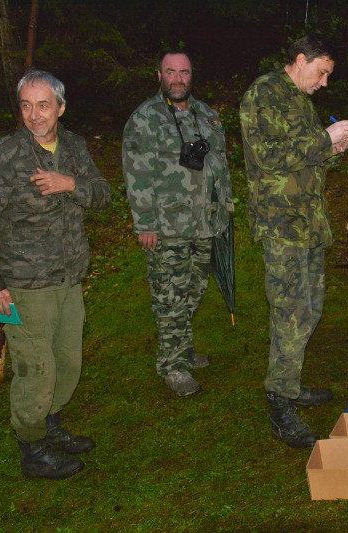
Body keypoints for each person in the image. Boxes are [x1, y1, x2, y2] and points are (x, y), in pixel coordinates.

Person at [0, 70, 111, 479]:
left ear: (60, 108)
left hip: (68, 278)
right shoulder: (7, 155)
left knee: (67, 363)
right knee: (36, 370)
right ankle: (32, 448)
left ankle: (50, 423)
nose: (34, 115)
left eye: (43, 105)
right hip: (25, 285)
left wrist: (70, 184)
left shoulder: (75, 147)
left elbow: (103, 195)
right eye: (26, 105)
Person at [240, 33, 348, 448]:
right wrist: (324, 138)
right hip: (282, 224)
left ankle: (290, 381)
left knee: (310, 307)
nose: (324, 83)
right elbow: (268, 155)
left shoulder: (300, 100)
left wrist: (333, 150)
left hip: (308, 221)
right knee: (291, 311)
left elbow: (302, 156)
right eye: (322, 72)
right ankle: (280, 403)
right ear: (302, 59)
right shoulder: (265, 93)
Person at [123, 50, 233, 397]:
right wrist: (145, 224)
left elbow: (220, 165)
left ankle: (182, 350)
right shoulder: (145, 119)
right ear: (159, 75)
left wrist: (224, 208)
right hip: (167, 226)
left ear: (191, 75)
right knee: (170, 295)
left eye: (184, 72)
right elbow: (137, 174)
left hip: (203, 223)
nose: (177, 79)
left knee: (194, 290)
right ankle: (172, 366)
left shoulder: (207, 115)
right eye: (170, 72)